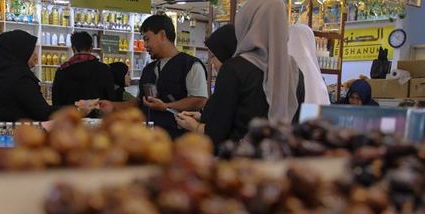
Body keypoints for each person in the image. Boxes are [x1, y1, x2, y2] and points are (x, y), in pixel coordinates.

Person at [176, 9, 305, 147]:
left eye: (213, 56)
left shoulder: (234, 69)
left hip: (239, 158)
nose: (211, 62)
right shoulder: (293, 70)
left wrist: (195, 127)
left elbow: (217, 133)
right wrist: (205, 118)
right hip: (279, 156)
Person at [106, 14, 207, 138]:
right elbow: (139, 102)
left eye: (147, 39)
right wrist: (113, 106)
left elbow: (199, 100)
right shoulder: (149, 69)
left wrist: (166, 106)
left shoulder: (191, 65)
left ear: (162, 35)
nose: (145, 45)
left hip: (180, 140)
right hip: (150, 139)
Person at [0, 30, 94, 122]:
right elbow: (42, 112)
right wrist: (77, 109)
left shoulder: (4, 74)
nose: (36, 54)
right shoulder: (20, 79)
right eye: (32, 50)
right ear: (21, 51)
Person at [52, 32, 115, 115]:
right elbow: (110, 98)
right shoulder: (103, 69)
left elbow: (56, 101)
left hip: (70, 119)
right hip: (98, 119)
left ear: (73, 48)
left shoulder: (62, 70)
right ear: (91, 48)